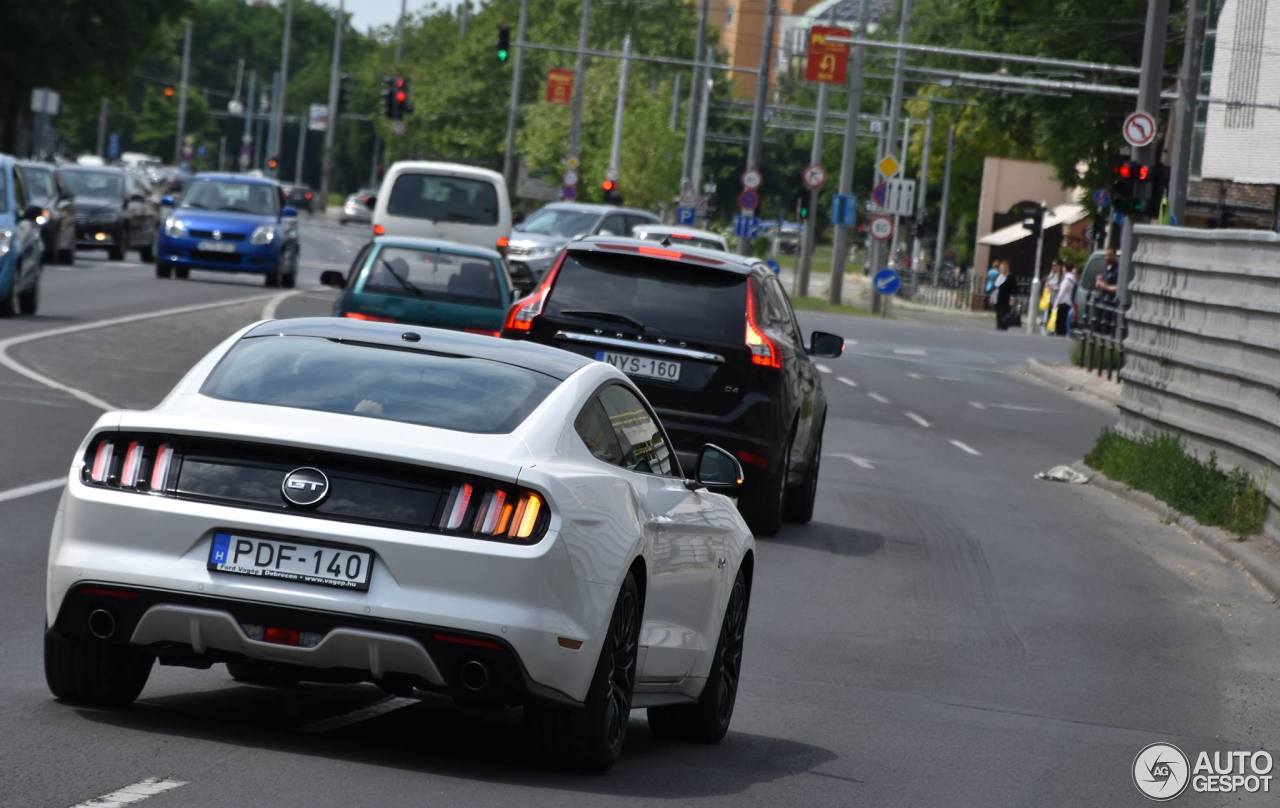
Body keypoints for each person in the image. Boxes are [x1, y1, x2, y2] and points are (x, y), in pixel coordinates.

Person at [1053, 265, 1077, 336]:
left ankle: (1059, 334)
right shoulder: (1073, 279)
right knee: (1064, 320)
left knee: (1059, 321)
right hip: (1069, 302)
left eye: (1063, 268)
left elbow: (1061, 292)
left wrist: (1056, 302)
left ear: (1065, 269)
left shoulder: (1066, 280)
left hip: (1063, 302)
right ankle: (1062, 333)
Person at [992, 261, 1016, 330]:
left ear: (1006, 268)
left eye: (1002, 268)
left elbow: (1013, 289)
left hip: (1005, 298)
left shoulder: (1010, 277)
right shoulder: (999, 276)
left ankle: (1004, 326)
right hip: (997, 298)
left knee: (1004, 313)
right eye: (1000, 268)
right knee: (998, 312)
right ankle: (999, 325)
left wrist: (1012, 298)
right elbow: (995, 287)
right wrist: (992, 295)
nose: (1001, 269)